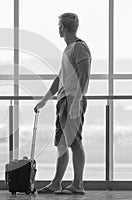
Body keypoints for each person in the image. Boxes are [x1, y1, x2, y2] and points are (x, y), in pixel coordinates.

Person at [34, 13, 91, 195]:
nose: (58, 28)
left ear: (63, 27)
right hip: (63, 100)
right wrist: (44, 99)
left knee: (74, 142)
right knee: (61, 143)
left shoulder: (80, 48)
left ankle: (78, 185)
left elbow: (84, 76)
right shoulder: (68, 50)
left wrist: (76, 102)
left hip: (73, 99)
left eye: (59, 25)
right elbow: (60, 78)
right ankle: (56, 183)